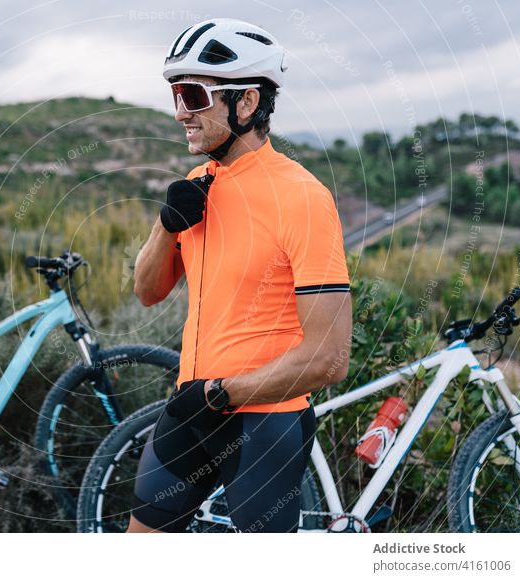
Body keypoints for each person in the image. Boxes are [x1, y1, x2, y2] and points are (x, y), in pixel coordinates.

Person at [130, 18, 352, 533]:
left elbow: (329, 358)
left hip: (263, 422)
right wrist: (167, 228)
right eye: (175, 95)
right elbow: (147, 291)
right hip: (191, 410)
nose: (181, 111)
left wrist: (220, 394)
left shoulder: (302, 197)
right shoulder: (197, 183)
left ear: (247, 103)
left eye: (193, 95)